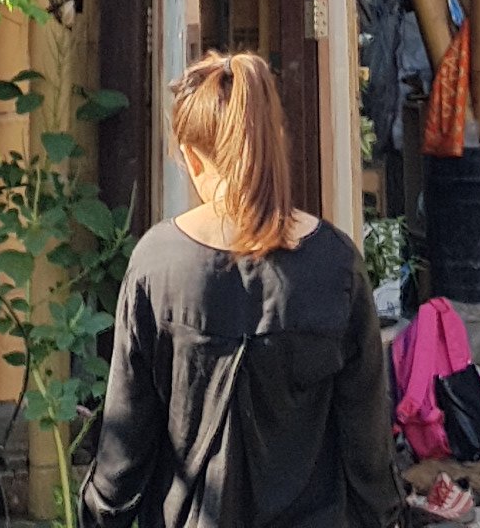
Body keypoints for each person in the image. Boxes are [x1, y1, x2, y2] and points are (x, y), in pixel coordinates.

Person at [81, 51, 402, 528]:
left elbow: (123, 451)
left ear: (192, 159)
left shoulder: (157, 265)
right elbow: (368, 447)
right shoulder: (335, 266)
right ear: (278, 139)